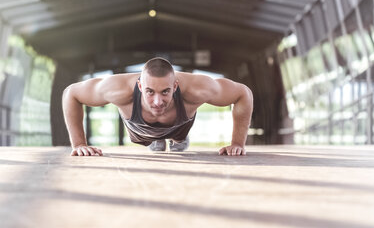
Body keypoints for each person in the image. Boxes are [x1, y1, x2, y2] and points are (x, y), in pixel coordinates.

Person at [62, 57, 253, 156]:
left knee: (178, 137)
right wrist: (79, 144)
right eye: (150, 92)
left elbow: (243, 93)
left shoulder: (198, 88)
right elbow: (71, 93)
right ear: (139, 86)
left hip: (180, 127)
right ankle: (156, 141)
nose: (157, 102)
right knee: (152, 141)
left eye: (165, 92)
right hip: (139, 133)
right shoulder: (117, 89)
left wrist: (237, 143)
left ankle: (177, 140)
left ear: (175, 86)